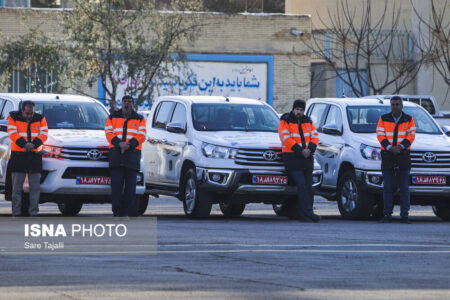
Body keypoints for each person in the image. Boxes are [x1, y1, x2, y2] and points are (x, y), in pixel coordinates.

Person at [278, 99, 320, 222]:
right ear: (293, 109)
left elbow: (315, 136)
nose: (299, 112)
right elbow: (285, 137)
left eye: (301, 110)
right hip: (292, 157)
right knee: (301, 185)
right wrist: (299, 150)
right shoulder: (285, 120)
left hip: (307, 158)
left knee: (308, 187)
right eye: (297, 109)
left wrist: (310, 149)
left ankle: (309, 212)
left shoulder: (308, 121)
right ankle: (304, 213)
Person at [104, 95, 146, 218]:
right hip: (116, 156)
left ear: (133, 104)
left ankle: (125, 213)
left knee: (130, 188)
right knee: (116, 188)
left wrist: (128, 145)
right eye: (125, 101)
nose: (127, 104)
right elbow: (108, 132)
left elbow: (141, 135)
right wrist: (119, 143)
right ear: (121, 103)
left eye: (129, 102)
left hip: (132, 156)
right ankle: (116, 213)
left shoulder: (139, 119)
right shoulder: (112, 117)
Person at [376, 96, 416, 223]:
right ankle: (387, 215)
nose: (395, 106)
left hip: (403, 156)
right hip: (388, 156)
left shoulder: (409, 119)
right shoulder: (383, 119)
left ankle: (404, 216)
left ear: (402, 106)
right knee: (388, 187)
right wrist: (389, 147)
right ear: (390, 106)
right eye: (393, 104)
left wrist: (400, 147)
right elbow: (380, 134)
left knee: (404, 187)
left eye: (397, 104)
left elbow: (411, 135)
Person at [7, 101, 48, 217]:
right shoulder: (13, 117)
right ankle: (16, 212)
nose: (29, 116)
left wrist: (33, 145)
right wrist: (24, 144)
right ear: (22, 111)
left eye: (31, 113)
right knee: (16, 188)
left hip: (34, 156)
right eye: (26, 113)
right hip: (18, 155)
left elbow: (44, 134)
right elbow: (12, 133)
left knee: (35, 187)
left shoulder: (40, 118)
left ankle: (33, 212)